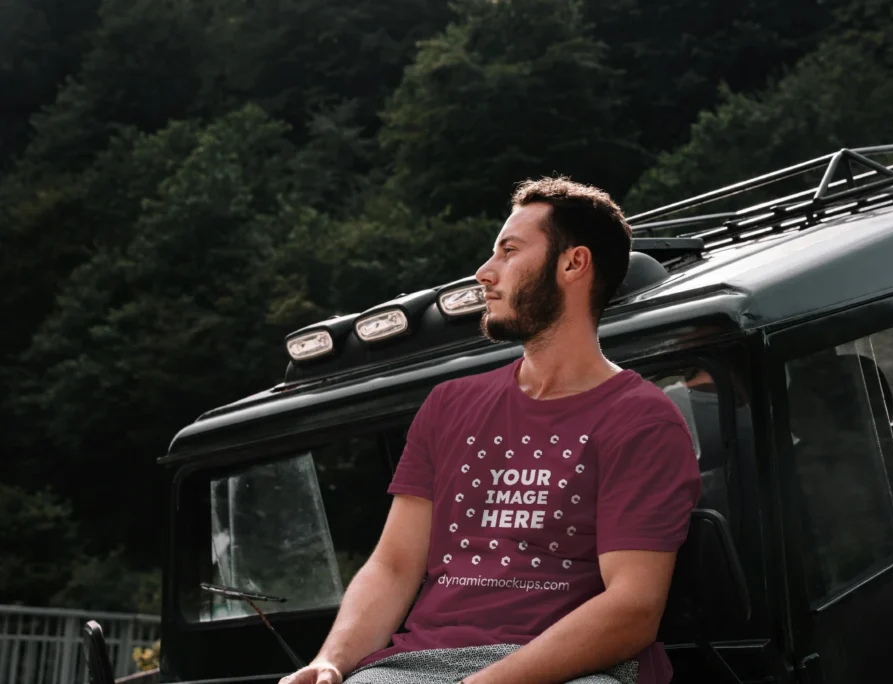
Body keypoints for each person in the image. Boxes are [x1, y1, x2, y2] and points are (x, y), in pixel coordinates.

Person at [279, 178, 701, 684]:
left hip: (571, 670)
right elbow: (394, 566)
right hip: (415, 667)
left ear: (573, 264)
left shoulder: (642, 420)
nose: (484, 272)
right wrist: (332, 661)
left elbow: (632, 608)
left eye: (509, 251)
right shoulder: (448, 405)